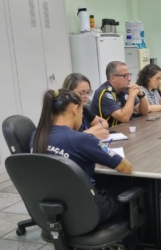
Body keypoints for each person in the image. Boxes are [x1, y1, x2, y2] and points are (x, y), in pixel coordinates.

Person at [30, 89, 138, 249]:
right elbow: (126, 167)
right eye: (82, 111)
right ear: (75, 109)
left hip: (51, 209)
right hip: (89, 211)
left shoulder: (36, 136)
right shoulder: (82, 139)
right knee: (132, 184)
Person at [90, 61, 149, 127]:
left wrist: (141, 95)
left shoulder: (124, 89)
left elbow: (144, 112)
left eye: (129, 75)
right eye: (125, 76)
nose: (130, 79)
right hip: (108, 133)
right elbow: (124, 118)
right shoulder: (104, 93)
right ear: (112, 78)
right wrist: (131, 96)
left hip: (123, 130)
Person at [62, 73, 109, 140]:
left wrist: (89, 132)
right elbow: (67, 138)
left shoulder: (84, 109)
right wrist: (90, 134)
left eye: (88, 92)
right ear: (69, 92)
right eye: (82, 93)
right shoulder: (63, 113)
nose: (86, 96)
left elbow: (104, 122)